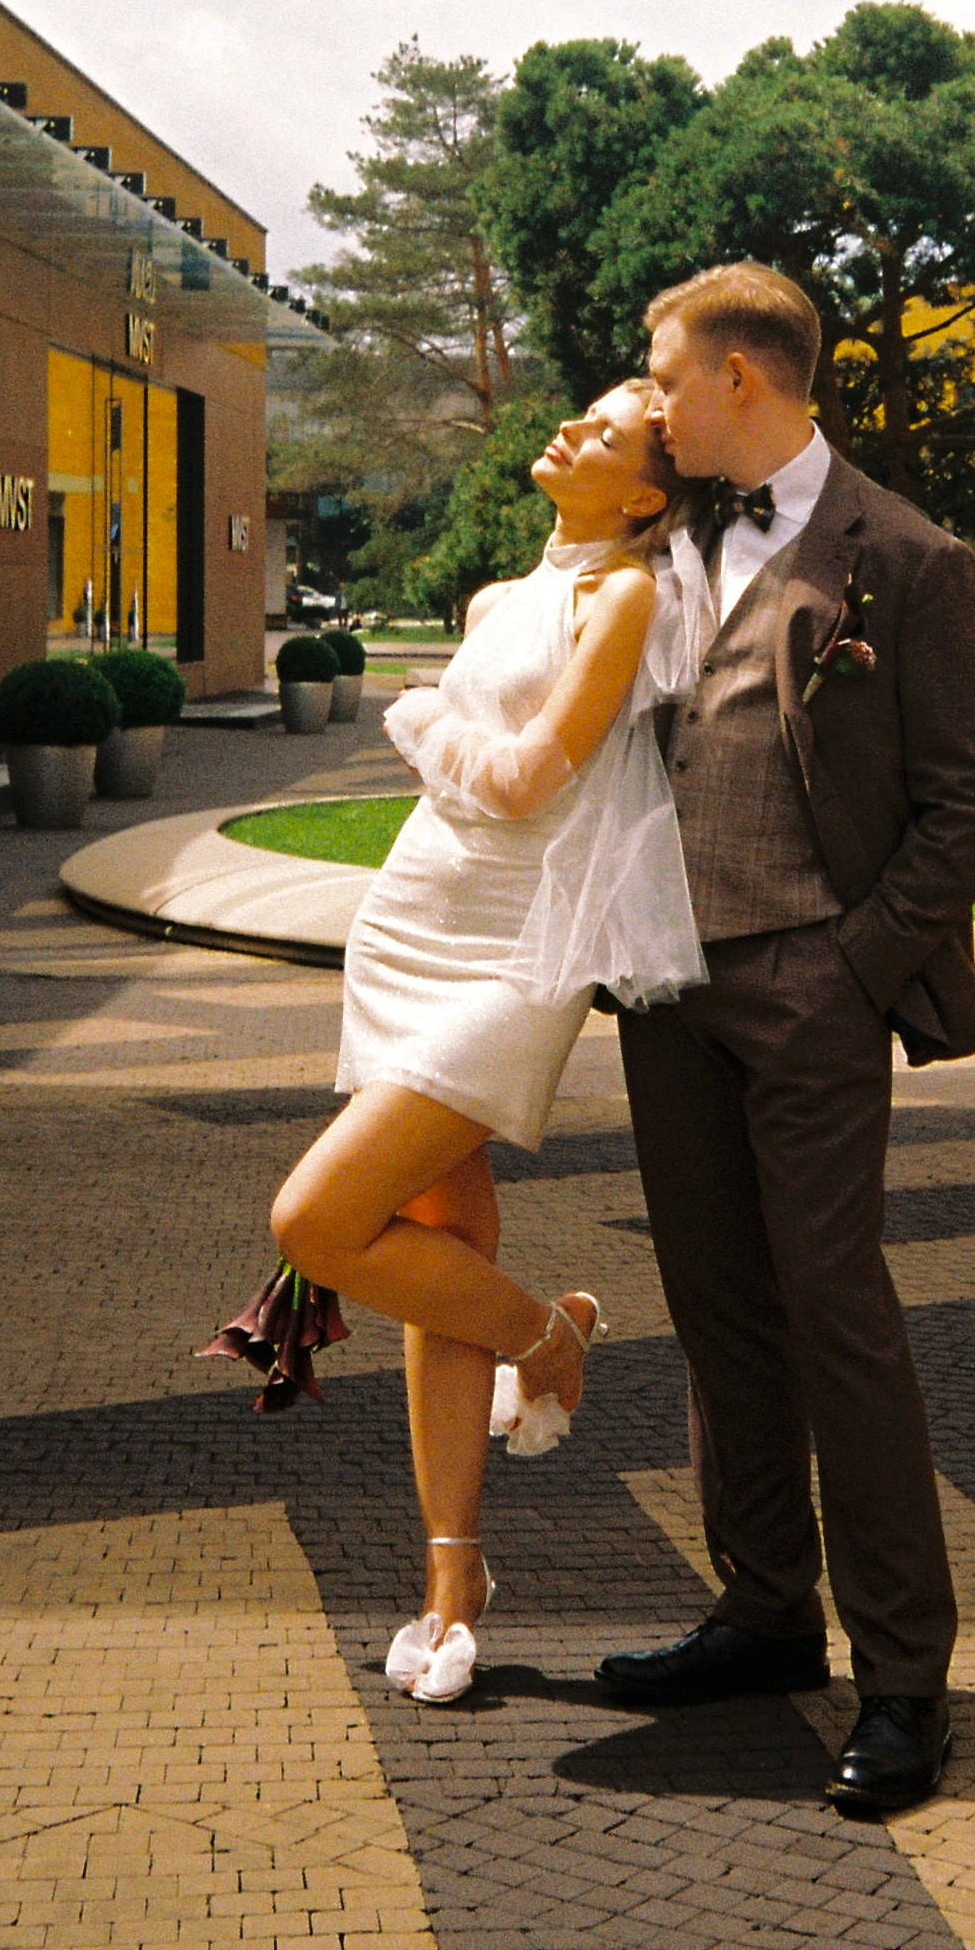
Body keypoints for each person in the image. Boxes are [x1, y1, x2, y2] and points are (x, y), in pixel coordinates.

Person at [596, 262, 975, 1816]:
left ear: (742, 383)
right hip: (666, 991)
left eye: (664, 370)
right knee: (717, 1309)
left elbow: (969, 802)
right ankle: (766, 1609)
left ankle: (905, 1675)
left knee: (837, 1312)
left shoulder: (905, 559)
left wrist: (852, 968)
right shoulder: (666, 531)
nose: (649, 394)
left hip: (806, 987)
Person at [257, 379, 705, 1706]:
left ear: (644, 494)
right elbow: (484, 777)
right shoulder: (499, 600)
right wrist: (449, 731)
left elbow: (528, 778)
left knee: (316, 1218)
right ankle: (454, 1583)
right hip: (410, 927)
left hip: (515, 954)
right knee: (436, 1253)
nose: (569, 428)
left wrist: (417, 720)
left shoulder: (624, 595)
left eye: (608, 432)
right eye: (582, 413)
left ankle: (548, 1338)